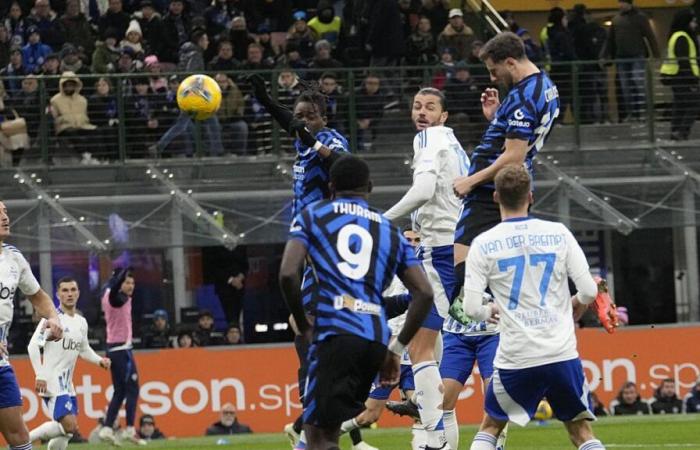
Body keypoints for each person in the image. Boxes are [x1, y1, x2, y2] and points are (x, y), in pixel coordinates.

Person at [279, 155, 435, 450]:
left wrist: (302, 324)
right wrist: (395, 349)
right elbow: (424, 293)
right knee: (332, 428)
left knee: (318, 437)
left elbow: (287, 273)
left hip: (335, 330)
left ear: (331, 186)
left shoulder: (314, 215)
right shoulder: (389, 230)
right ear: (370, 187)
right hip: (375, 337)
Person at [462, 164, 605, 450]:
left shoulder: (482, 244)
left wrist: (490, 311)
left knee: (491, 426)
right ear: (531, 196)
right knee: (581, 433)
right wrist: (576, 302)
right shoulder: (558, 233)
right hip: (560, 354)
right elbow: (589, 289)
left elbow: (470, 308)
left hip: (516, 358)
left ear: (495, 198)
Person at [382, 87, 468, 450]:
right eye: (417, 105)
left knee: (421, 349)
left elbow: (423, 189)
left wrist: (381, 220)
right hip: (455, 249)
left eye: (431, 107)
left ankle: (434, 435)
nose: (422, 112)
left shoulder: (430, 138)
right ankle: (436, 435)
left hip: (440, 253)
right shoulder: (455, 145)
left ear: (443, 116)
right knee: (426, 349)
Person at [453, 32, 560, 306]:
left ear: (510, 62)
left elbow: (514, 155)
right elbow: (518, 137)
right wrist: (498, 117)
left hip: (491, 191)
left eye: (494, 70)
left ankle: (499, 328)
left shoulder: (524, 97)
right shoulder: (544, 85)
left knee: (464, 276)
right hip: (506, 187)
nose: (492, 78)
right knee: (500, 266)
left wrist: (471, 180)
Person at [340, 227, 425, 450]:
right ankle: (315, 437)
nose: (414, 243)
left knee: (423, 407)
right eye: (409, 240)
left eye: (418, 239)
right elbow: (353, 302)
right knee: (369, 414)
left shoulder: (427, 269)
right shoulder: (383, 272)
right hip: (388, 350)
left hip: (417, 348)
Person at [0, 200, 64, 450]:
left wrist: (54, 317)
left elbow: (38, 297)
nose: (5, 217)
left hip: (1, 359)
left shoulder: (14, 258)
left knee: (18, 433)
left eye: (5, 212)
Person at [27, 277, 111, 450]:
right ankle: (22, 441)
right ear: (58, 294)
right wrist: (40, 374)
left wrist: (99, 361)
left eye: (73, 290)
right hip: (50, 380)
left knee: (68, 432)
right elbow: (33, 347)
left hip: (67, 384)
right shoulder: (52, 320)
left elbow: (84, 349)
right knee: (70, 426)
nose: (69, 294)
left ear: (78, 293)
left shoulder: (81, 322)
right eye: (65, 290)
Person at [97, 268, 145, 445]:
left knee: (120, 391)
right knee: (133, 389)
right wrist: (121, 274)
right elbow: (115, 289)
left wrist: (118, 276)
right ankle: (130, 429)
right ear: (119, 283)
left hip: (115, 349)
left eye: (132, 282)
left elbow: (109, 287)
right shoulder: (116, 298)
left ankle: (107, 428)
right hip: (122, 349)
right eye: (127, 282)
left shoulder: (108, 293)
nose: (131, 286)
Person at [602, 0, 659, 121]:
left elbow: (650, 36)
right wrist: (604, 55)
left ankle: (642, 112)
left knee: (637, 82)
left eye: (623, 3)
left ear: (630, 4)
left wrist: (656, 54)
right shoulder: (616, 20)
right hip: (622, 57)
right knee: (626, 87)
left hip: (637, 55)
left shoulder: (640, 18)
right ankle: (634, 113)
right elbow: (610, 39)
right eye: (619, 3)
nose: (620, 5)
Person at [659, 8, 699, 141]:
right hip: (682, 77)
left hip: (676, 76)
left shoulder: (676, 35)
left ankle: (676, 130)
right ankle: (682, 131)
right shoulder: (682, 37)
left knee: (680, 104)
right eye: (693, 21)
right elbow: (684, 61)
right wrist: (692, 79)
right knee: (694, 103)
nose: (695, 24)